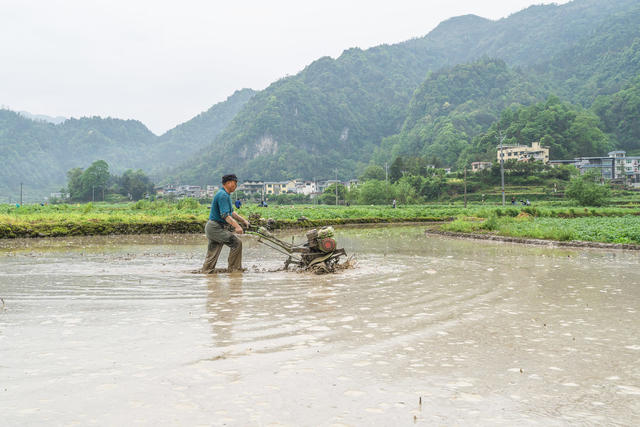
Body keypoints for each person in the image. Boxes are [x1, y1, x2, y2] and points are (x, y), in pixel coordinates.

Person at [202, 174, 250, 273]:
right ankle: (234, 270)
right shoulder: (222, 195)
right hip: (215, 227)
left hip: (213, 228)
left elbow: (232, 212)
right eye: (235, 183)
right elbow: (225, 215)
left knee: (213, 252)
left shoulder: (225, 194)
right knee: (236, 243)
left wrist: (243, 221)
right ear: (228, 183)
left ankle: (207, 271)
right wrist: (237, 227)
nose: (236, 185)